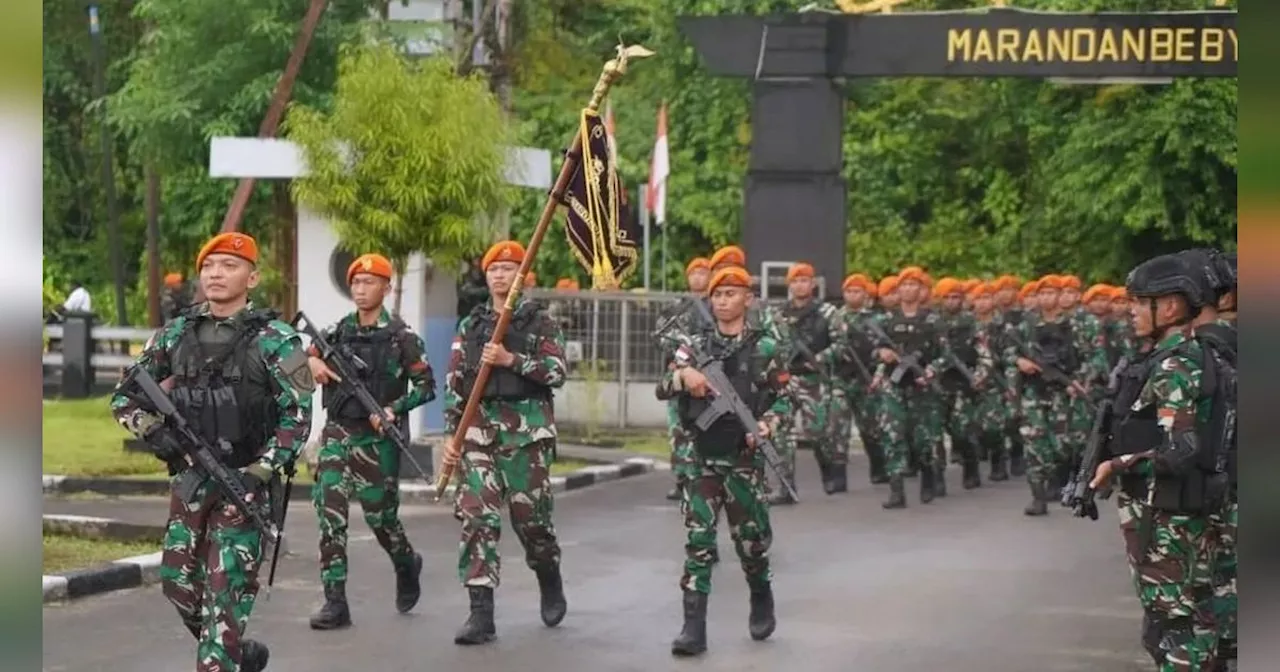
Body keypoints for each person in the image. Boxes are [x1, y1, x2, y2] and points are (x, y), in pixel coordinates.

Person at [109, 232, 314, 672]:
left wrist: (261, 471)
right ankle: (238, 650)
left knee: (225, 597)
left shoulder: (277, 340)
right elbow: (124, 396)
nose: (217, 274)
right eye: (209, 267)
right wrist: (152, 431)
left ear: (252, 277)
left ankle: (224, 648)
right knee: (177, 585)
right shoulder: (176, 334)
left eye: (230, 266)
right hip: (190, 482)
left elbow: (298, 417)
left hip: (246, 487)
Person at [1088, 253, 1224, 672]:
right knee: (1185, 625)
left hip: (1168, 521)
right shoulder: (1175, 357)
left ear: (1168, 307)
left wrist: (1120, 464)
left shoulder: (1174, 365)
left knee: (1175, 630)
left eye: (1138, 302)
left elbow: (1181, 448)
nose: (1130, 311)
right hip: (1168, 513)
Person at [655, 265, 790, 657]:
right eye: (717, 294)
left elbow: (783, 396)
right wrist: (686, 378)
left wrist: (766, 425)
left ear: (748, 298)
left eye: (732, 294)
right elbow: (663, 387)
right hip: (700, 457)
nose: (723, 301)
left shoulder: (765, 347)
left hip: (744, 459)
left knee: (750, 543)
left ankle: (760, 593)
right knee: (698, 541)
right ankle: (692, 627)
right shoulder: (692, 345)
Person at [444, 240, 568, 646]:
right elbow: (456, 382)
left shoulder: (539, 321)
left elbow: (557, 372)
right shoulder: (472, 325)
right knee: (477, 516)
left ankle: (548, 574)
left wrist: (511, 361)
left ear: (523, 275)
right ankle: (481, 613)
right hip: (479, 429)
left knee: (531, 522)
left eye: (508, 267)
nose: (500, 274)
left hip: (526, 432)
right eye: (493, 268)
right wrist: (453, 434)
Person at [305, 253, 437, 630]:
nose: (361, 289)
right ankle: (335, 602)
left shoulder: (403, 337)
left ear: (386, 287)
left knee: (382, 519)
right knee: (330, 516)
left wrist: (394, 408)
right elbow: (301, 358)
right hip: (337, 433)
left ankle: (405, 562)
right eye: (356, 283)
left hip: (377, 440)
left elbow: (428, 386)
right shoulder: (336, 331)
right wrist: (311, 362)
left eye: (369, 282)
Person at [873, 267, 947, 508]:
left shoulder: (932, 320)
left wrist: (931, 371)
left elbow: (945, 354)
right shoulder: (886, 320)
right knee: (892, 434)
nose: (907, 289)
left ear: (922, 289)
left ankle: (927, 477)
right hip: (893, 385)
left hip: (920, 385)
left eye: (913, 285)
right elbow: (873, 349)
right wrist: (882, 353)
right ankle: (896, 490)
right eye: (903, 285)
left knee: (921, 438)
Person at [778, 262, 847, 496]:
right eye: (795, 281)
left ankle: (828, 469)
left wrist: (819, 358)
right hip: (787, 379)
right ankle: (786, 486)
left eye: (804, 280)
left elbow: (841, 344)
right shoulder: (780, 314)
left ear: (812, 284)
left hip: (814, 380)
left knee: (817, 432)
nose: (800, 285)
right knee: (782, 432)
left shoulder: (827, 312)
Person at [659, 257, 713, 502]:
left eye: (704, 273)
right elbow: (662, 337)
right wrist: (682, 351)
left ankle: (702, 477)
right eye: (694, 273)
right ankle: (681, 478)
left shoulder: (716, 306)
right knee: (677, 430)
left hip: (707, 379)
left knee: (705, 428)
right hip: (680, 377)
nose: (699, 277)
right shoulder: (676, 306)